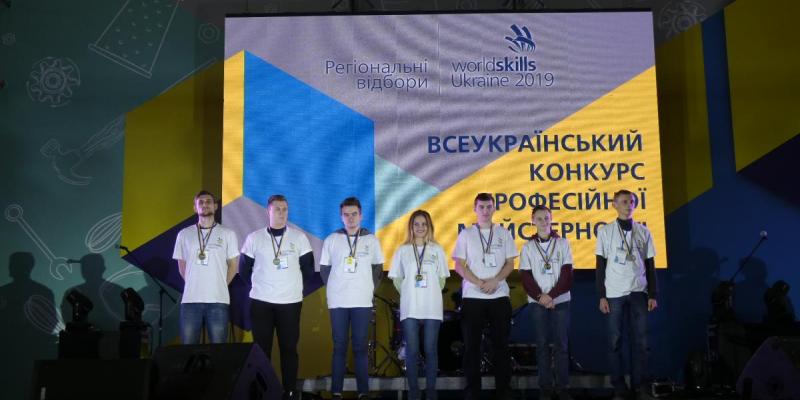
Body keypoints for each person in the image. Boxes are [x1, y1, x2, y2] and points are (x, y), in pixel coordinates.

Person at [240, 194, 314, 400]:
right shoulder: (254, 238)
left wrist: (291, 287)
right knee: (261, 350)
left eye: (285, 209)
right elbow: (244, 271)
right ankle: (262, 392)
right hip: (261, 303)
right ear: (268, 211)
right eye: (277, 209)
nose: (282, 213)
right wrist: (261, 287)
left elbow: (308, 270)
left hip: (290, 303)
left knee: (289, 349)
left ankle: (289, 391)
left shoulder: (299, 238)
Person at [452, 193, 518, 400]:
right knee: (472, 346)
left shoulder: (504, 233)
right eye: (481, 207)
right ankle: (473, 391)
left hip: (499, 295)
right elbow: (458, 265)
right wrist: (480, 283)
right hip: (473, 296)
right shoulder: (466, 234)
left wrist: (495, 281)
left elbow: (510, 263)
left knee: (501, 345)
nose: (485, 210)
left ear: (494, 209)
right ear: (475, 209)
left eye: (489, 206)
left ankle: (503, 390)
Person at [596, 189, 658, 400]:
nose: (628, 205)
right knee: (615, 342)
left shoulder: (643, 231)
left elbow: (650, 264)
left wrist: (653, 294)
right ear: (614, 205)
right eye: (623, 202)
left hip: (639, 291)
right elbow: (600, 266)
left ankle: (641, 386)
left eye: (631, 201)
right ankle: (619, 388)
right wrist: (601, 295)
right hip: (614, 293)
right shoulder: (605, 232)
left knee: (642, 342)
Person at [320, 197, 384, 400]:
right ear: (341, 217)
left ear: (361, 215)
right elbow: (324, 269)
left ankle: (363, 392)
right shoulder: (332, 239)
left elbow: (378, 269)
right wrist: (336, 287)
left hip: (362, 301)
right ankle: (336, 391)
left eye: (354, 214)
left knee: (360, 347)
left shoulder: (371, 240)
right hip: (338, 301)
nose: (350, 218)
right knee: (339, 346)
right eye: (346, 214)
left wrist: (368, 289)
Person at [388, 210, 450, 400]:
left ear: (429, 226)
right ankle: (414, 393)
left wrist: (429, 293)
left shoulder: (437, 249)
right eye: (417, 224)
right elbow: (397, 279)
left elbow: (442, 280)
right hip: (410, 306)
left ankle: (431, 392)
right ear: (411, 227)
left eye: (424, 224)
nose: (420, 227)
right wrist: (409, 292)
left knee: (430, 350)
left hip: (432, 306)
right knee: (412, 351)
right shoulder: (403, 250)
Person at [520, 205, 574, 400]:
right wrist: (540, 297)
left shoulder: (563, 243)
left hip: (560, 301)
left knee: (561, 346)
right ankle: (545, 389)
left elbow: (567, 275)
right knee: (542, 346)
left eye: (546, 218)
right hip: (537, 303)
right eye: (539, 218)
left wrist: (550, 296)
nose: (544, 222)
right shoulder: (527, 247)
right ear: (533, 221)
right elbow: (526, 277)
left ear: (551, 219)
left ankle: (563, 388)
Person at [173, 190, 239, 344]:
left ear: (215, 206)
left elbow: (233, 265)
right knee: (188, 349)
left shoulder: (228, 234)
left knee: (219, 350)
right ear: (195, 208)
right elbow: (181, 264)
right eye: (201, 202)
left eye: (209, 201)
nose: (205, 204)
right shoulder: (184, 234)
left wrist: (221, 285)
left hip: (218, 300)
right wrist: (193, 283)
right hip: (190, 300)